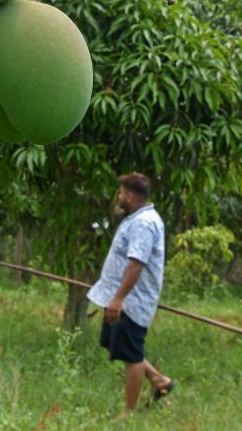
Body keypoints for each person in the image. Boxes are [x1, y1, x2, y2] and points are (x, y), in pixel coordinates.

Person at [87, 173, 174, 417]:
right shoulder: (135, 219)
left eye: (121, 192)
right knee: (112, 343)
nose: (119, 196)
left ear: (130, 195)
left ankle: (128, 413)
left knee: (132, 355)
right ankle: (159, 380)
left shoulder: (144, 223)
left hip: (131, 302)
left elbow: (136, 263)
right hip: (120, 297)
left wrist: (119, 299)